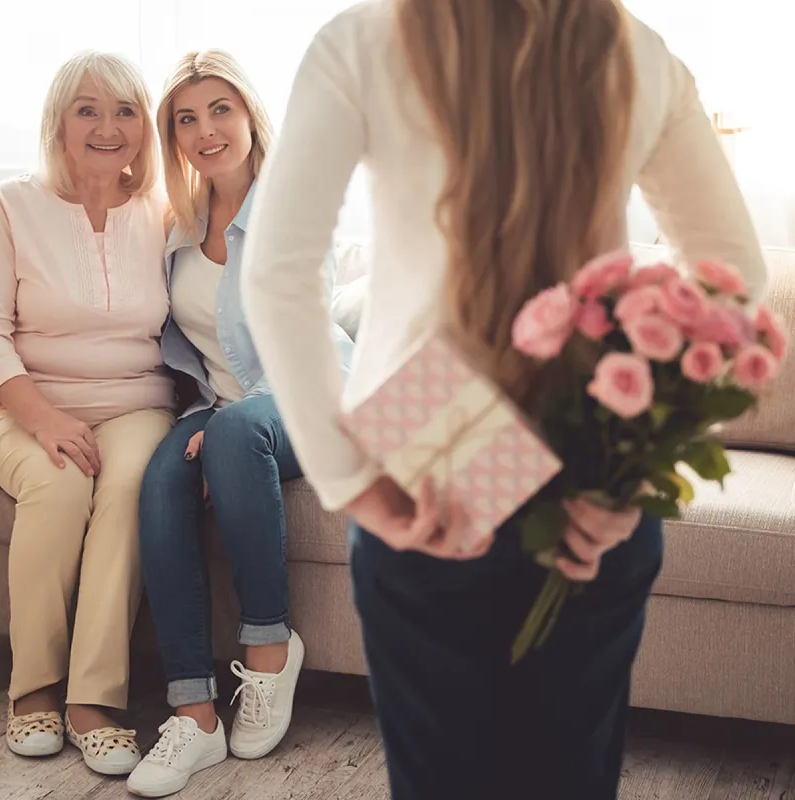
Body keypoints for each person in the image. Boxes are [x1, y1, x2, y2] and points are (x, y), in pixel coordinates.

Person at [239, 1, 768, 799]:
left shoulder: (364, 40)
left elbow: (278, 278)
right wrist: (627, 471)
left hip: (428, 439)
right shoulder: (638, 51)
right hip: (591, 454)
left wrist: (354, 484)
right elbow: (737, 282)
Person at [126, 50, 354, 799]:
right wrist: (205, 419)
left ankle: (268, 653)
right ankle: (193, 713)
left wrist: (228, 420)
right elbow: (190, 348)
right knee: (158, 477)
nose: (205, 129)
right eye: (186, 119)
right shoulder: (179, 225)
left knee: (226, 436)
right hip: (221, 413)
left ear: (250, 114)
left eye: (220, 109)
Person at [0, 52, 174, 775]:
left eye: (126, 110)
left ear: (144, 129)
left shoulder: (165, 214)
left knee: (131, 486)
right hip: (23, 401)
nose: (109, 127)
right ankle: (32, 690)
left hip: (136, 401)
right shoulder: (10, 204)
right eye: (88, 110)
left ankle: (93, 700)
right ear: (58, 122)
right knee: (59, 483)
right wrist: (43, 418)